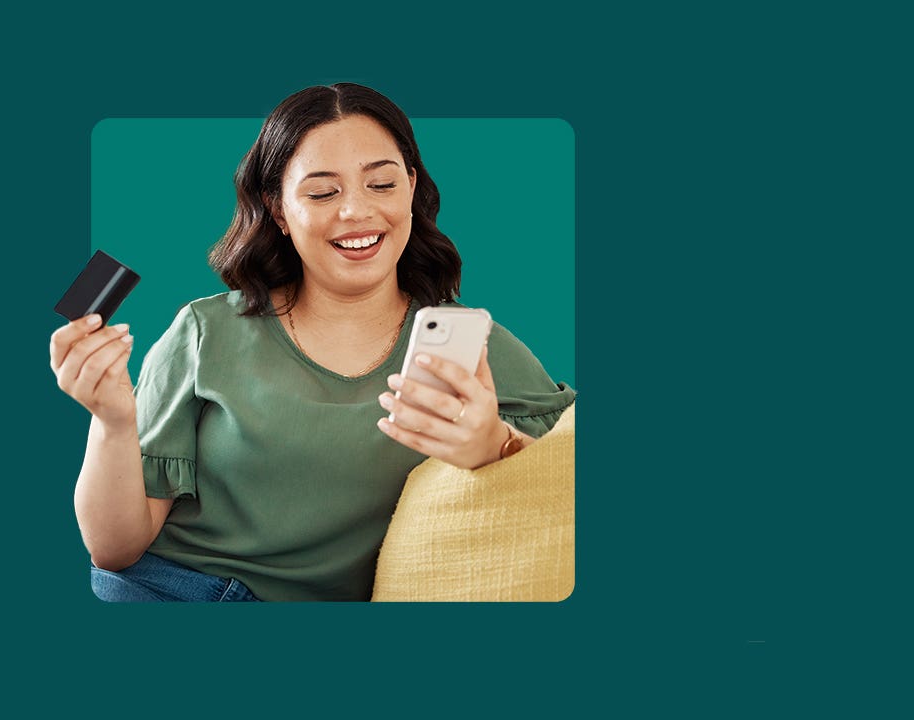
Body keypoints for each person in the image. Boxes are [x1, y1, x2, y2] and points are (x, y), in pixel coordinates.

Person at [49, 83, 576, 602]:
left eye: (382, 185)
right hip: (170, 590)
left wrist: (499, 449)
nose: (355, 212)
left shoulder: (473, 348)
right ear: (278, 210)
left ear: (412, 189)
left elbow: (564, 469)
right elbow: (114, 550)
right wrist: (112, 421)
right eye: (323, 192)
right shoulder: (205, 330)